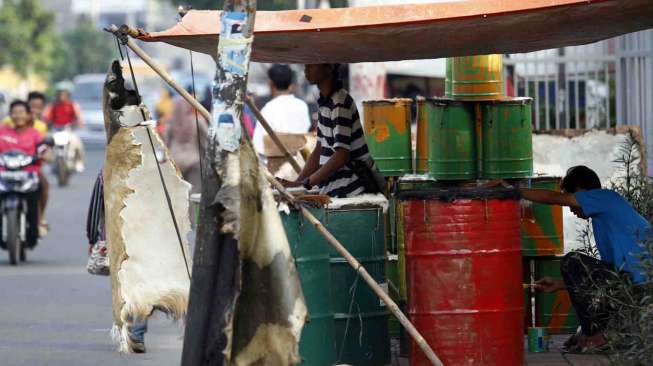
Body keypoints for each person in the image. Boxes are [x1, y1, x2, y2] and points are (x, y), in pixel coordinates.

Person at [519, 166, 650, 352]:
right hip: (633, 289)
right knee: (577, 268)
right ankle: (599, 333)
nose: (572, 209)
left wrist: (514, 191)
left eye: (570, 197)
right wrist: (560, 283)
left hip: (640, 292)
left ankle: (597, 335)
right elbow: (607, 277)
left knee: (572, 261)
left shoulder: (604, 197)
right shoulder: (605, 216)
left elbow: (552, 198)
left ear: (580, 191)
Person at [281, 64, 382, 198]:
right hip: (333, 189)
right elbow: (319, 150)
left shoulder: (340, 102)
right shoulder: (325, 104)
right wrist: (298, 184)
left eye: (312, 64)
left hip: (351, 191)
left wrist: (306, 183)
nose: (306, 68)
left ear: (329, 68)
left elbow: (341, 155)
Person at [2, 92, 50, 235]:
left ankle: (38, 219)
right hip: (4, 173)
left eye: (21, 112)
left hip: (30, 173)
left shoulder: (35, 132)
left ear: (28, 115)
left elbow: (43, 148)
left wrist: (46, 154)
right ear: (10, 115)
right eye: (14, 113)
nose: (18, 116)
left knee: (43, 185)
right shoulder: (3, 131)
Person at [252, 64, 311, 155]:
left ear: (270, 84)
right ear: (291, 85)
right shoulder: (302, 106)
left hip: (275, 164)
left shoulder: (268, 109)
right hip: (301, 163)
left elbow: (258, 146)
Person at [166, 97, 208, 194]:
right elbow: (206, 143)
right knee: (194, 193)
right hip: (194, 162)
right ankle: (192, 209)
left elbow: (165, 143)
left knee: (179, 193)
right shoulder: (197, 121)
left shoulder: (171, 123)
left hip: (175, 163)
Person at [44, 88, 85, 173]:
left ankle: (79, 162)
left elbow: (78, 117)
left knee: (77, 143)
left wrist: (78, 123)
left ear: (67, 96)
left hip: (68, 130)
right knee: (47, 144)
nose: (62, 97)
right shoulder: (53, 106)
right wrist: (47, 124)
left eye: (64, 95)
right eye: (60, 95)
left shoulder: (72, 105)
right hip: (56, 129)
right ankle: (48, 164)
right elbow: (47, 117)